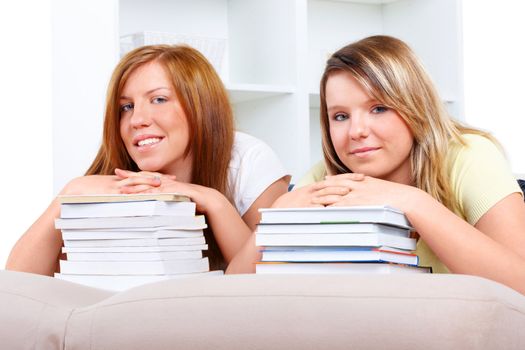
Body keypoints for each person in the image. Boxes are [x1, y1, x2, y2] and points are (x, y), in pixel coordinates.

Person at [228, 35, 525, 295]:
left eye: (378, 108)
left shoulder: (468, 156)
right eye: (340, 116)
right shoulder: (325, 175)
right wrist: (276, 219)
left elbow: (519, 285)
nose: (356, 131)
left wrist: (411, 201)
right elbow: (234, 290)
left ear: (415, 106)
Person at [7, 44, 290, 274]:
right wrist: (65, 199)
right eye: (126, 107)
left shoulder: (249, 160)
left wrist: (213, 201)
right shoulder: (117, 172)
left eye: (158, 99)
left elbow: (264, 280)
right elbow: (19, 285)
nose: (137, 120)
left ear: (201, 107)